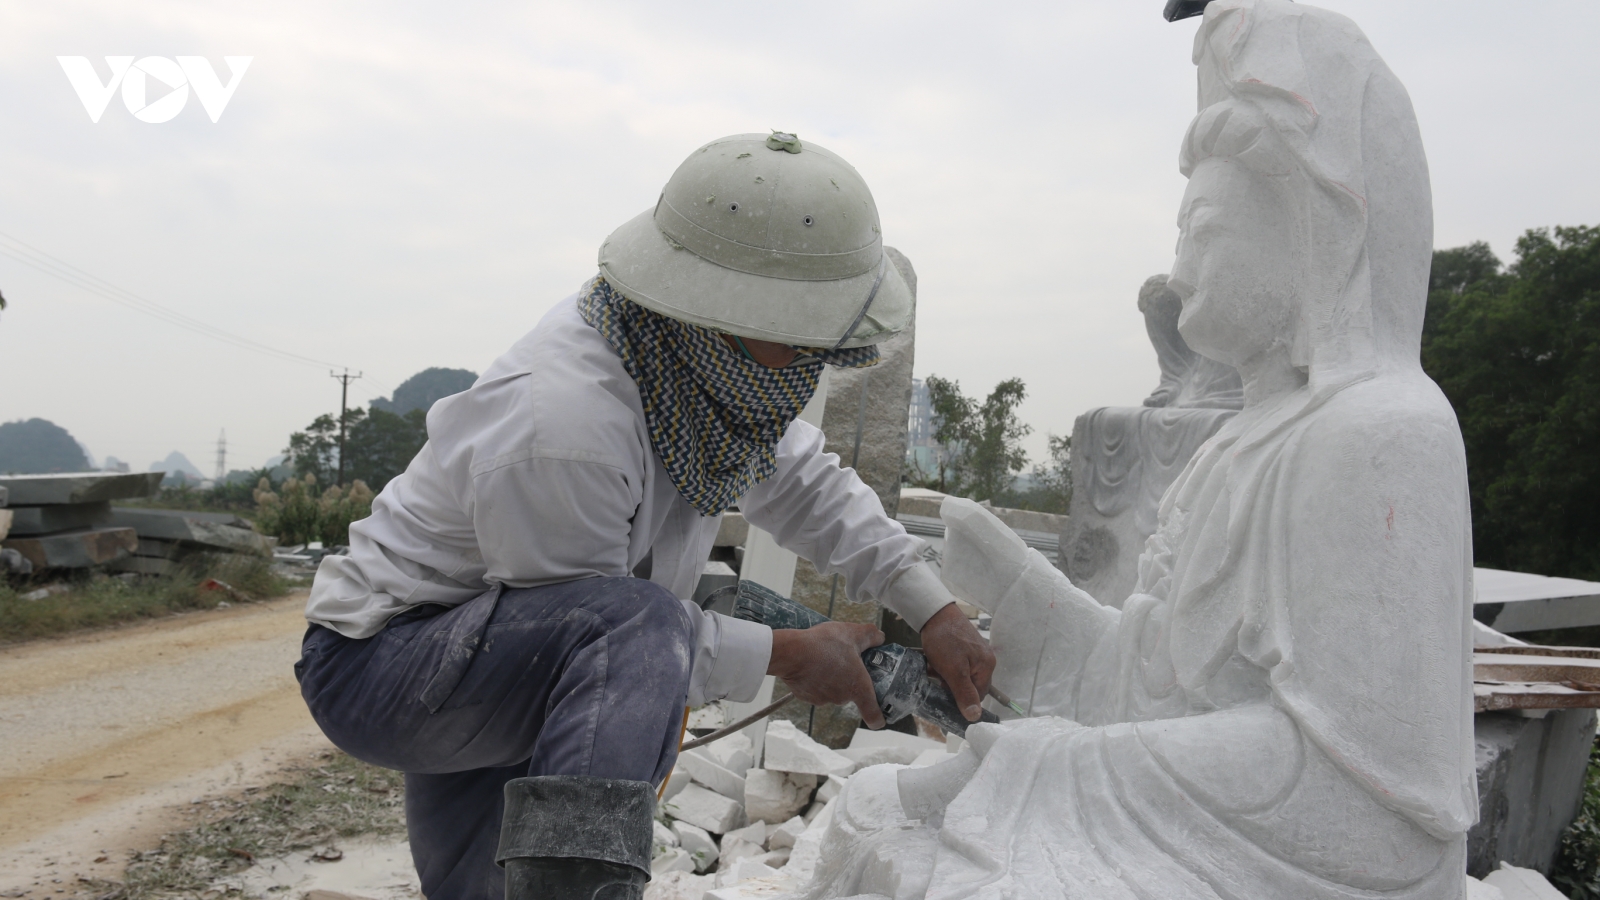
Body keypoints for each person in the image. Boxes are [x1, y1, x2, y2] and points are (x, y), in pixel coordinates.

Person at [803, 3, 1475, 898]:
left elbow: (1371, 808)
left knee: (974, 819)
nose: (1179, 274)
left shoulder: (1383, 432)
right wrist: (1022, 587)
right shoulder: (1241, 442)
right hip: (1191, 800)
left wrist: (1052, 764)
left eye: (1205, 234)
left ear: (1308, 236)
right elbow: (1153, 682)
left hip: (1320, 856)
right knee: (890, 805)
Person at [293, 131, 995, 900]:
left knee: (488, 877)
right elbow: (604, 637)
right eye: (799, 339)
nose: (812, 360)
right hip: (383, 665)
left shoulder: (696, 371)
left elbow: (804, 484)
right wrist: (790, 655)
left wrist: (931, 608)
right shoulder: (567, 420)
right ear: (720, 311)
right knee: (647, 627)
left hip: (497, 632)